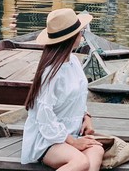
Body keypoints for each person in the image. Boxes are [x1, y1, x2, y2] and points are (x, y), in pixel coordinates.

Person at [21, 9, 103, 170]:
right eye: (81, 32)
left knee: (96, 150)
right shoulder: (51, 73)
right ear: (72, 38)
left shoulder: (73, 62)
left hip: (70, 133)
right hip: (47, 138)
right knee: (81, 162)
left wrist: (86, 117)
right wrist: (72, 141)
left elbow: (78, 96)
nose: (82, 35)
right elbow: (44, 116)